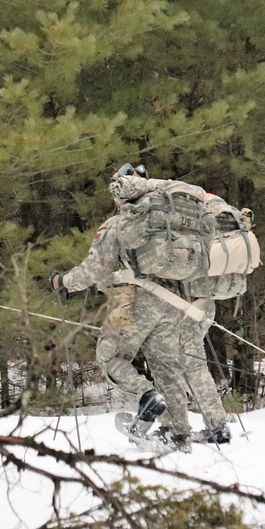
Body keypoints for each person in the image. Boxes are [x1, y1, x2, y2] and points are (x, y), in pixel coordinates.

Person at [51, 164, 220, 451]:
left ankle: (146, 397)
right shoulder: (172, 221)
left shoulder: (121, 222)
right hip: (174, 303)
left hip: (132, 303)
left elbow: (95, 267)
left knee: (111, 357)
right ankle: (177, 432)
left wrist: (63, 282)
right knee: (167, 368)